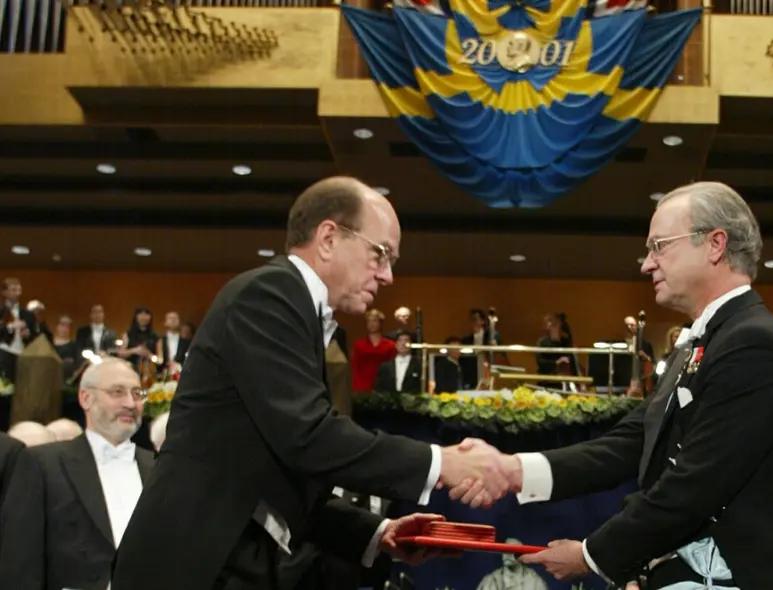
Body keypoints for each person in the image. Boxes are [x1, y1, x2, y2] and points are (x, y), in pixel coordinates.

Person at [111, 177, 510, 590]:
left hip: (223, 560)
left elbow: (285, 476)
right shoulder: (270, 292)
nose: (388, 275)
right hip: (190, 564)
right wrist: (442, 463)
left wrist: (378, 533)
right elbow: (309, 437)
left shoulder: (298, 309)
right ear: (328, 238)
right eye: (380, 254)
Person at [456, 182, 773, 590]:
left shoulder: (753, 344)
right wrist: (514, 470)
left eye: (660, 246)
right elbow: (629, 443)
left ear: (715, 244)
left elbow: (694, 485)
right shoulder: (706, 342)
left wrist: (591, 555)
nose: (647, 264)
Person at [0, 358, 156, 590]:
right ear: (85, 398)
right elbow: (20, 560)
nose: (131, 403)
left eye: (137, 394)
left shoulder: (158, 468)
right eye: (117, 392)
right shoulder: (42, 463)